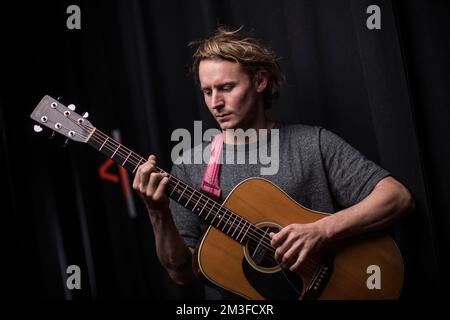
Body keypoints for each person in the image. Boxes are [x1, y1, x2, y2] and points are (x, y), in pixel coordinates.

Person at [132, 26, 414, 299]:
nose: (215, 103)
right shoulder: (189, 165)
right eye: (207, 91)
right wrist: (157, 213)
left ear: (259, 81)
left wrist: (321, 231)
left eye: (226, 87)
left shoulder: (313, 142)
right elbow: (181, 274)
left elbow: (397, 197)